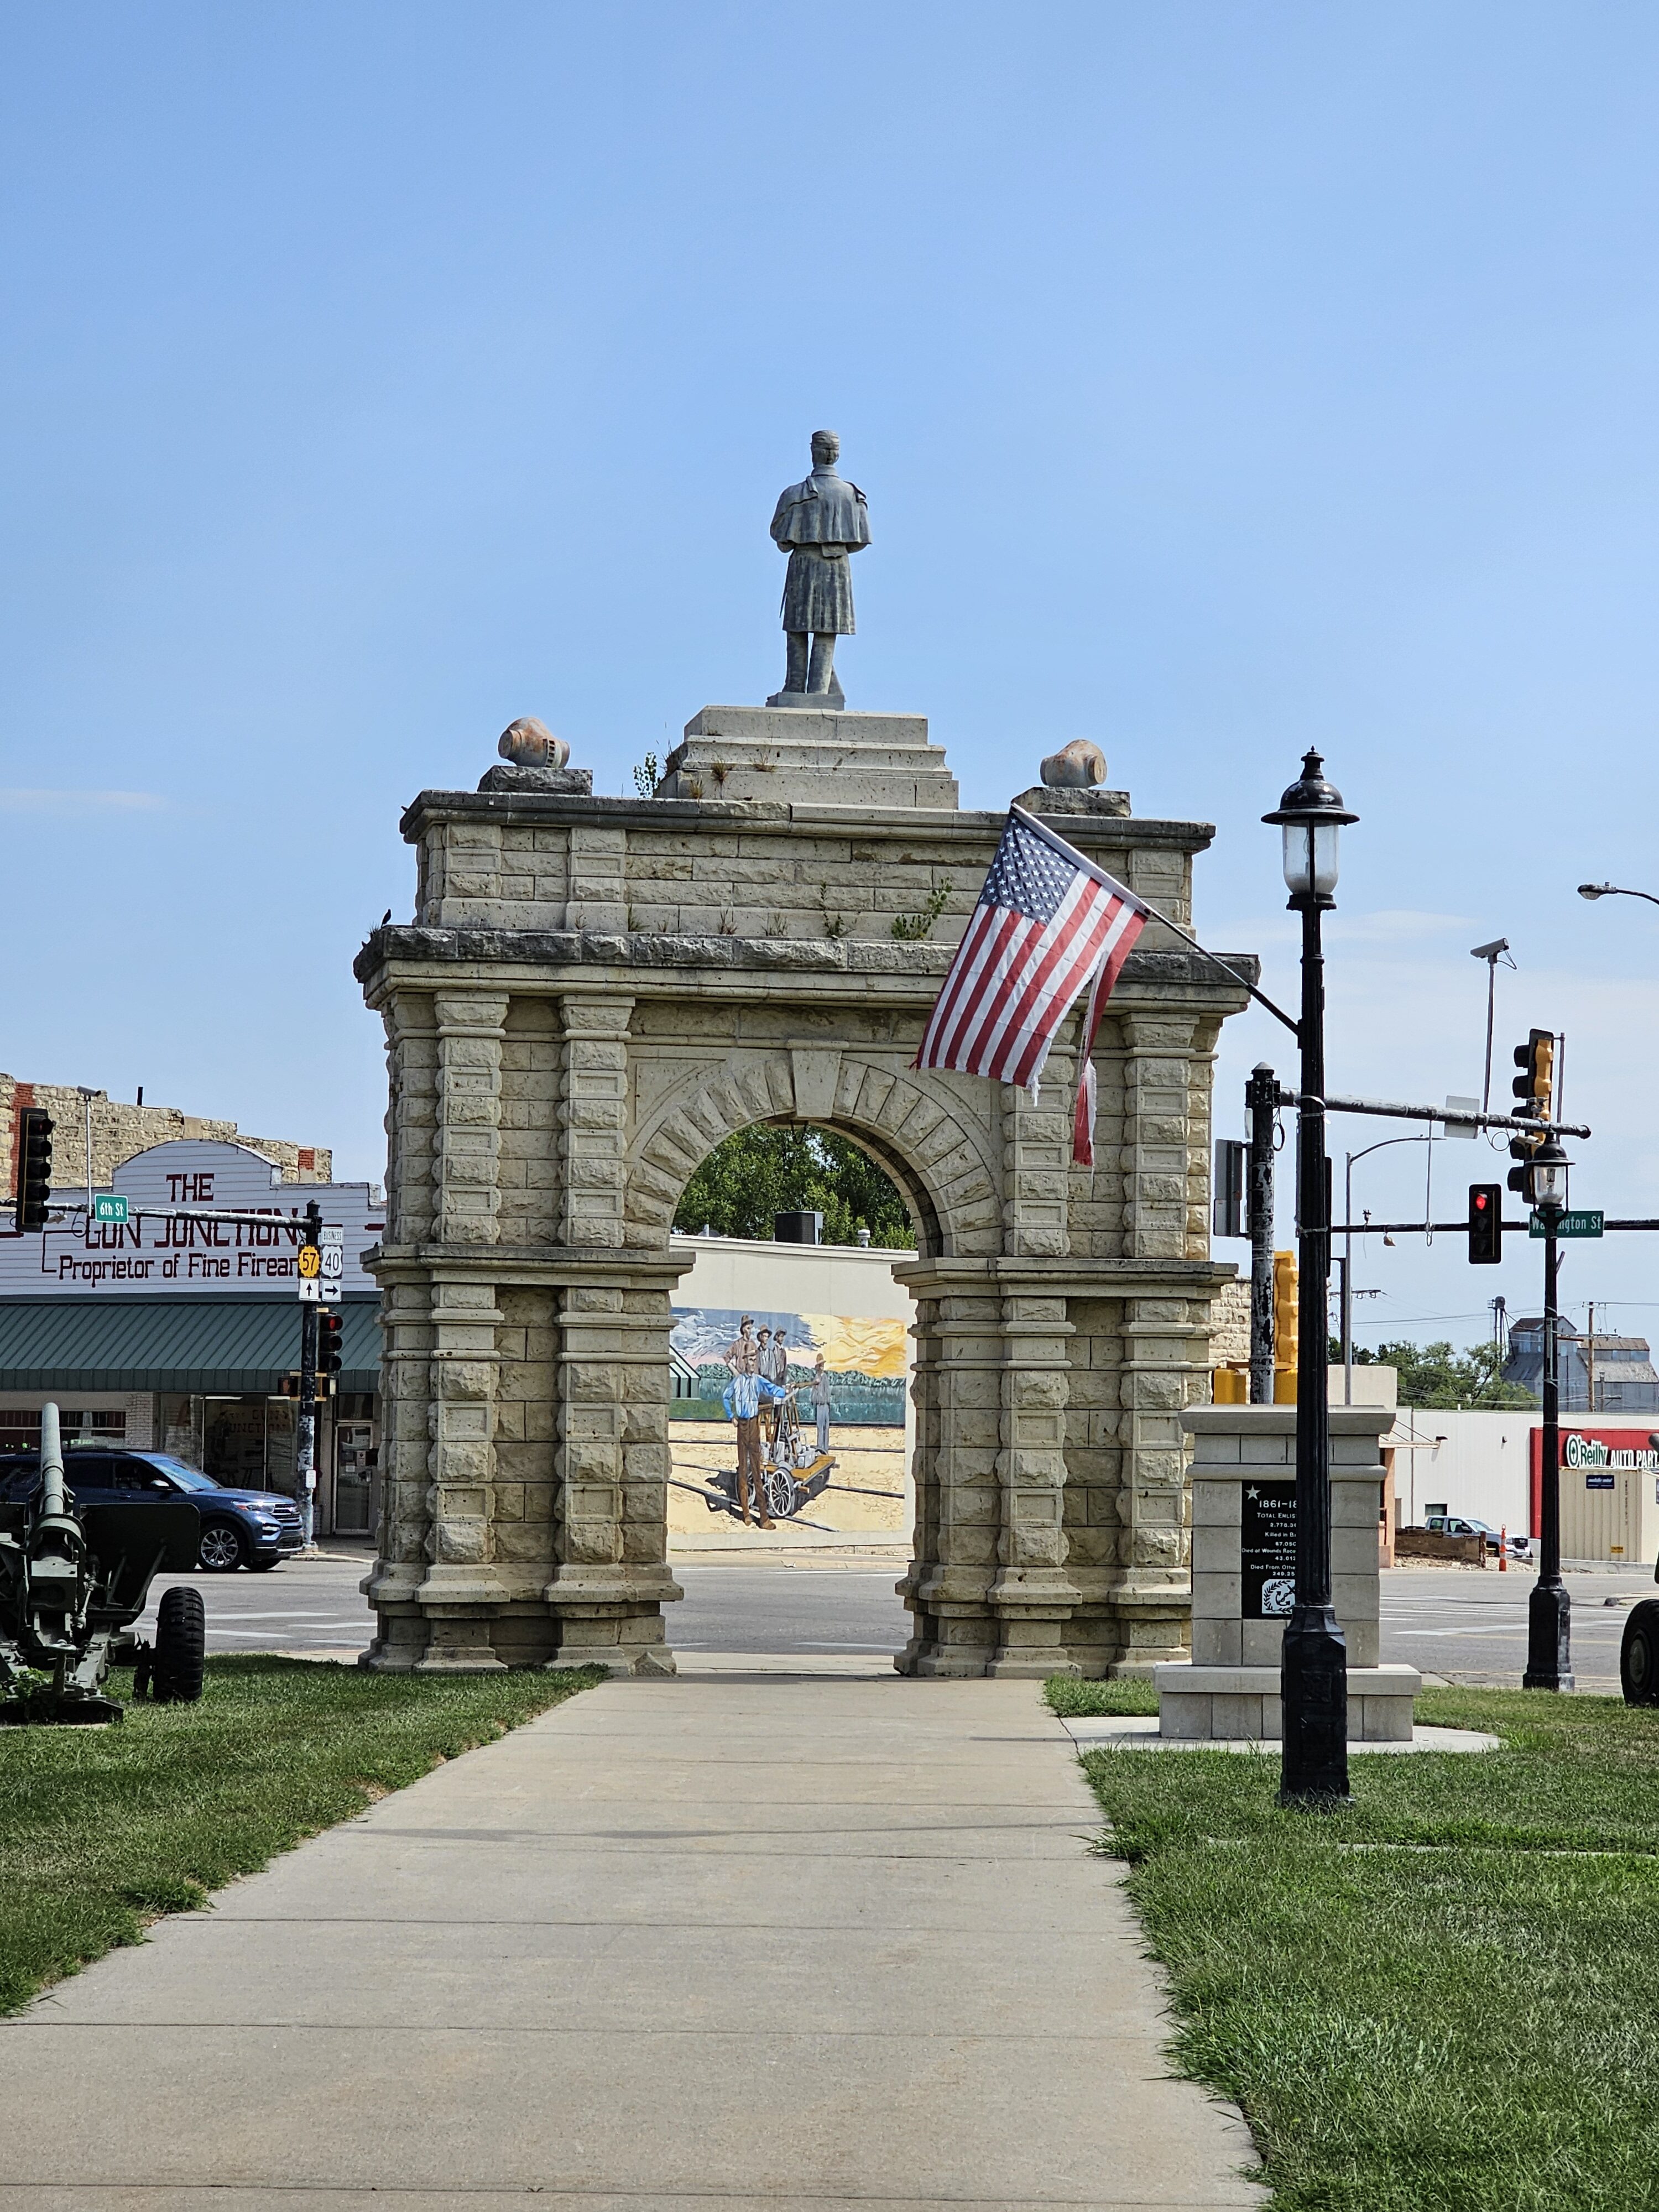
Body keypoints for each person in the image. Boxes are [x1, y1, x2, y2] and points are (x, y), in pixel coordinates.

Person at [767, 430, 871, 707]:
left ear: (813, 451)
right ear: (836, 454)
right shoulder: (853, 495)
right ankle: (814, 691)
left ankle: (801, 688)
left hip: (804, 564)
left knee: (798, 628)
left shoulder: (794, 495)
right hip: (837, 567)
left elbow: (781, 538)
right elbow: (860, 540)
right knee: (826, 631)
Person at [722, 1316, 773, 1528]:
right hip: (742, 1419)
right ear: (743, 1328)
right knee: (744, 1470)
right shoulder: (736, 1346)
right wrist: (736, 1372)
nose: (750, 1331)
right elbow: (726, 1359)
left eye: (752, 1328)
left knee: (758, 1469)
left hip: (754, 1418)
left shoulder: (753, 1346)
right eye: (748, 1328)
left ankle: (764, 1516)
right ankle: (746, 1514)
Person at [760, 1326, 790, 1454]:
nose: (782, 1338)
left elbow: (784, 1369)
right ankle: (770, 1445)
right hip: (773, 1385)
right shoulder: (774, 1352)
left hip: (781, 1385)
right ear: (776, 1338)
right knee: (772, 1415)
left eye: (783, 1336)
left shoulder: (783, 1352)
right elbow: (773, 1371)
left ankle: (779, 1442)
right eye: (780, 1336)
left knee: (780, 1415)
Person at [811, 1353, 832, 1458]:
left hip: (824, 1405)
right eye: (820, 1365)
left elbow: (827, 1392)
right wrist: (813, 1400)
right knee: (820, 1427)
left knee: (825, 1427)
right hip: (819, 1406)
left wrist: (828, 1403)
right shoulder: (817, 1377)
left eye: (822, 1365)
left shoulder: (825, 1377)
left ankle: (825, 1448)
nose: (821, 1367)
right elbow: (814, 1391)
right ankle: (820, 1447)